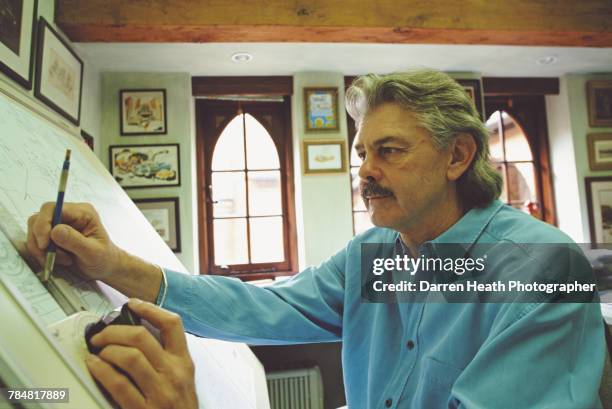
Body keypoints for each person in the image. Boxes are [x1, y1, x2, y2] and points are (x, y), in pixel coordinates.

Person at [27, 69, 605, 409]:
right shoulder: (376, 254)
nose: (365, 171)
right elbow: (269, 306)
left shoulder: (543, 269)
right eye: (361, 153)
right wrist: (111, 263)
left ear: (457, 156)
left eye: (389, 151)